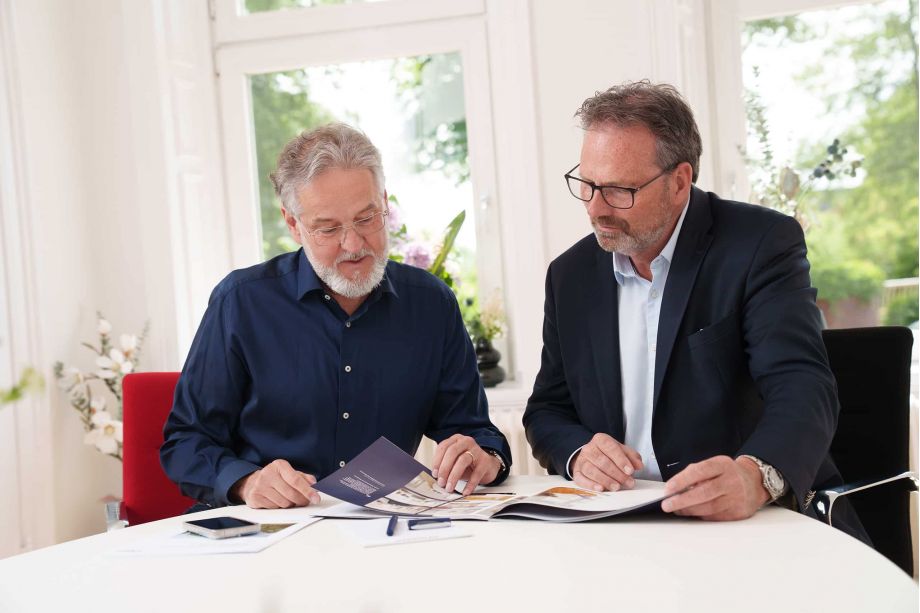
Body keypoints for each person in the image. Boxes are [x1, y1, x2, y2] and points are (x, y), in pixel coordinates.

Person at [523, 81, 866, 540]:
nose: (595, 209)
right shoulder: (570, 275)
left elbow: (801, 385)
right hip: (621, 526)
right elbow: (547, 409)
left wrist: (754, 476)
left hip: (750, 521)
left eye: (619, 190)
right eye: (586, 184)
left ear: (680, 181)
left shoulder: (760, 245)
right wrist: (578, 452)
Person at [161, 123, 511, 509]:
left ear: (385, 203)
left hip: (383, 534)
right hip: (264, 536)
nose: (354, 245)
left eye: (366, 218)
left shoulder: (432, 304)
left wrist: (483, 457)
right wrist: (246, 482)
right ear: (294, 224)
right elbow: (186, 442)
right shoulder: (240, 303)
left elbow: (473, 431)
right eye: (328, 228)